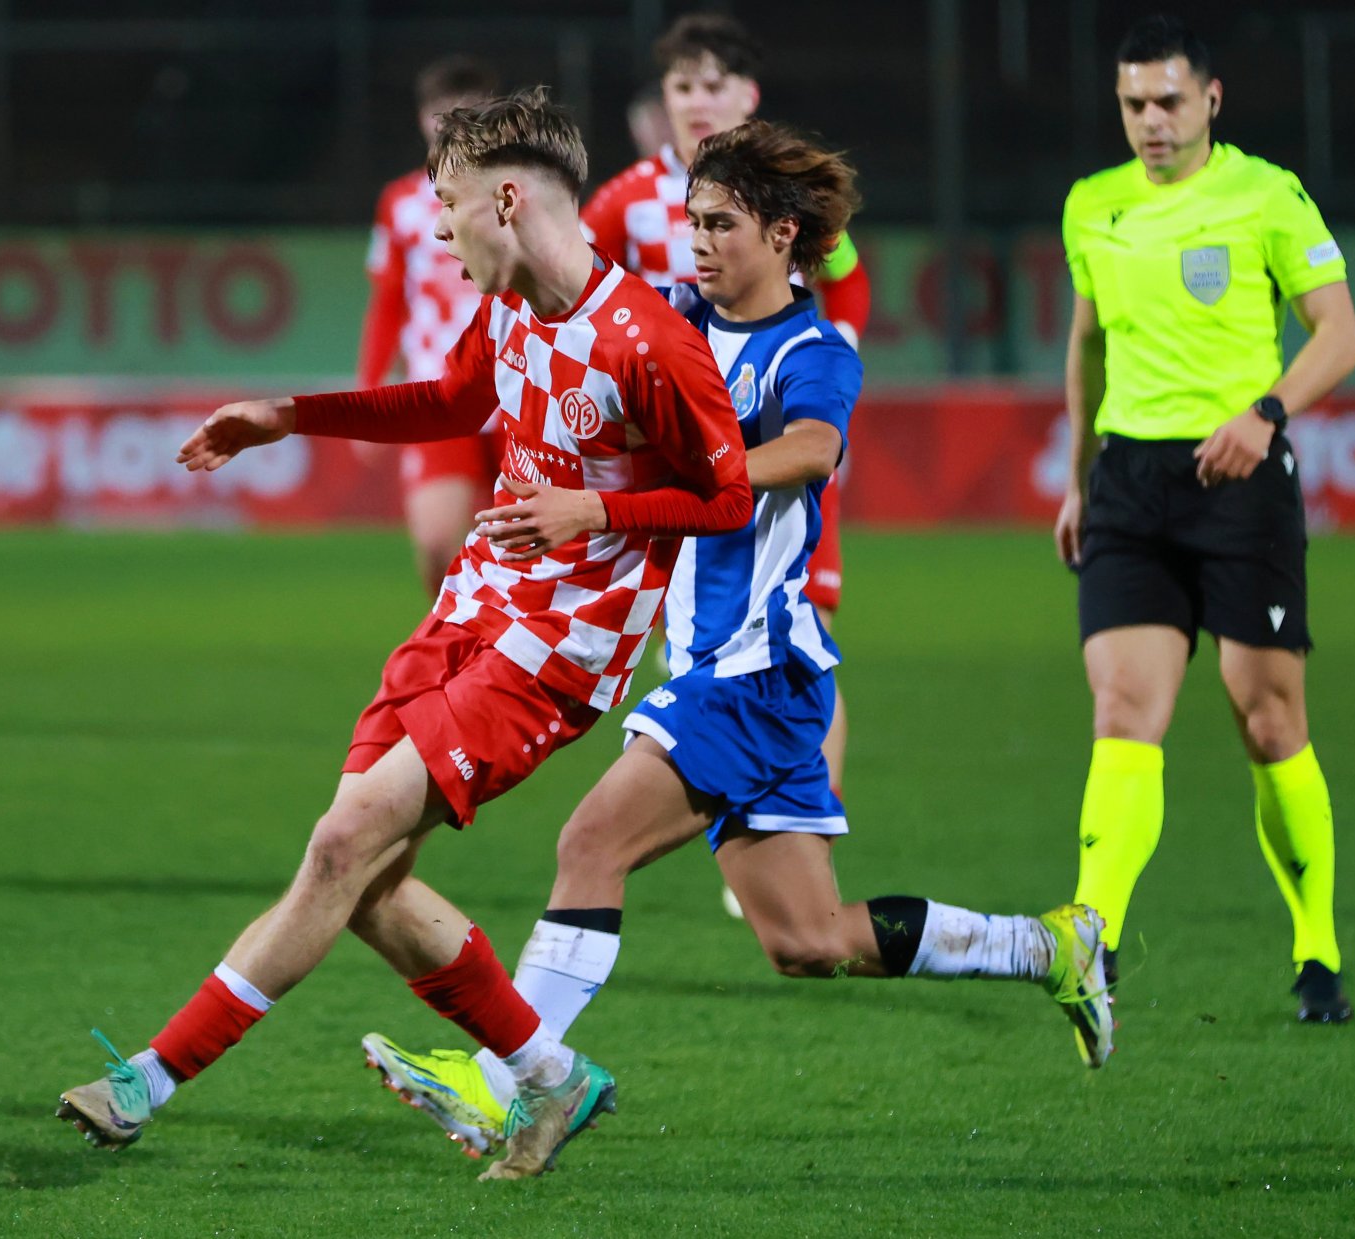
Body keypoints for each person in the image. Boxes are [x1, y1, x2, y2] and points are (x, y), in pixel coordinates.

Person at [360, 121, 1112, 1158]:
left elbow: (809, 450)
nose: (697, 243)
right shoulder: (665, 318)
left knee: (590, 842)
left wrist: (628, 503)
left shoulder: (811, 354)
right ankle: (1048, 945)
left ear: (783, 234)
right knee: (807, 940)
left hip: (754, 675)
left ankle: (509, 1084)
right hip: (731, 675)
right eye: (690, 222)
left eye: (720, 225)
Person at [56, 88, 753, 1181]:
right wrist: (286, 414)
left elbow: (730, 497)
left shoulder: (650, 342)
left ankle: (146, 1082)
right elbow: (451, 400)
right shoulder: (516, 304)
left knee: (342, 845)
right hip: (466, 613)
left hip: (558, 650)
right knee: (368, 885)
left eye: (448, 203)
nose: (436, 228)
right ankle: (549, 1075)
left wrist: (600, 510)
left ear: (508, 199)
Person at [1053, 15, 1355, 1023]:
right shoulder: (1091, 207)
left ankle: (1316, 946)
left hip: (1240, 478)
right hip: (1132, 486)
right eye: (1134, 103)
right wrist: (1080, 478)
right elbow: (1088, 349)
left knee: (1266, 715)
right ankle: (1090, 938)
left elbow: (1339, 335)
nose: (1150, 121)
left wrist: (1264, 413)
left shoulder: (1266, 195)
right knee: (1120, 710)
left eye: (1169, 101)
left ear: (1211, 99)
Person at [583, 14, 865, 905]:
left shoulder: (779, 220)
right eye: (681, 86)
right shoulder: (629, 200)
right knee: (811, 941)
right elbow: (592, 299)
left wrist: (816, 368)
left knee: (798, 627)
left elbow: (842, 281)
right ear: (660, 103)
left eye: (713, 86)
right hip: (687, 478)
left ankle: (801, 803)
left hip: (762, 453)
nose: (696, 101)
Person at [359, 56, 503, 594]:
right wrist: (369, 388)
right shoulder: (400, 204)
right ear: (423, 119)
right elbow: (387, 301)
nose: (451, 123)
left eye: (465, 112)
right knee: (439, 543)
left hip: (517, 387)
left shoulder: (516, 193)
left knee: (529, 550)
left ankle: (506, 662)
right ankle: (463, 646)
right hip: (438, 391)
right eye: (440, 113)